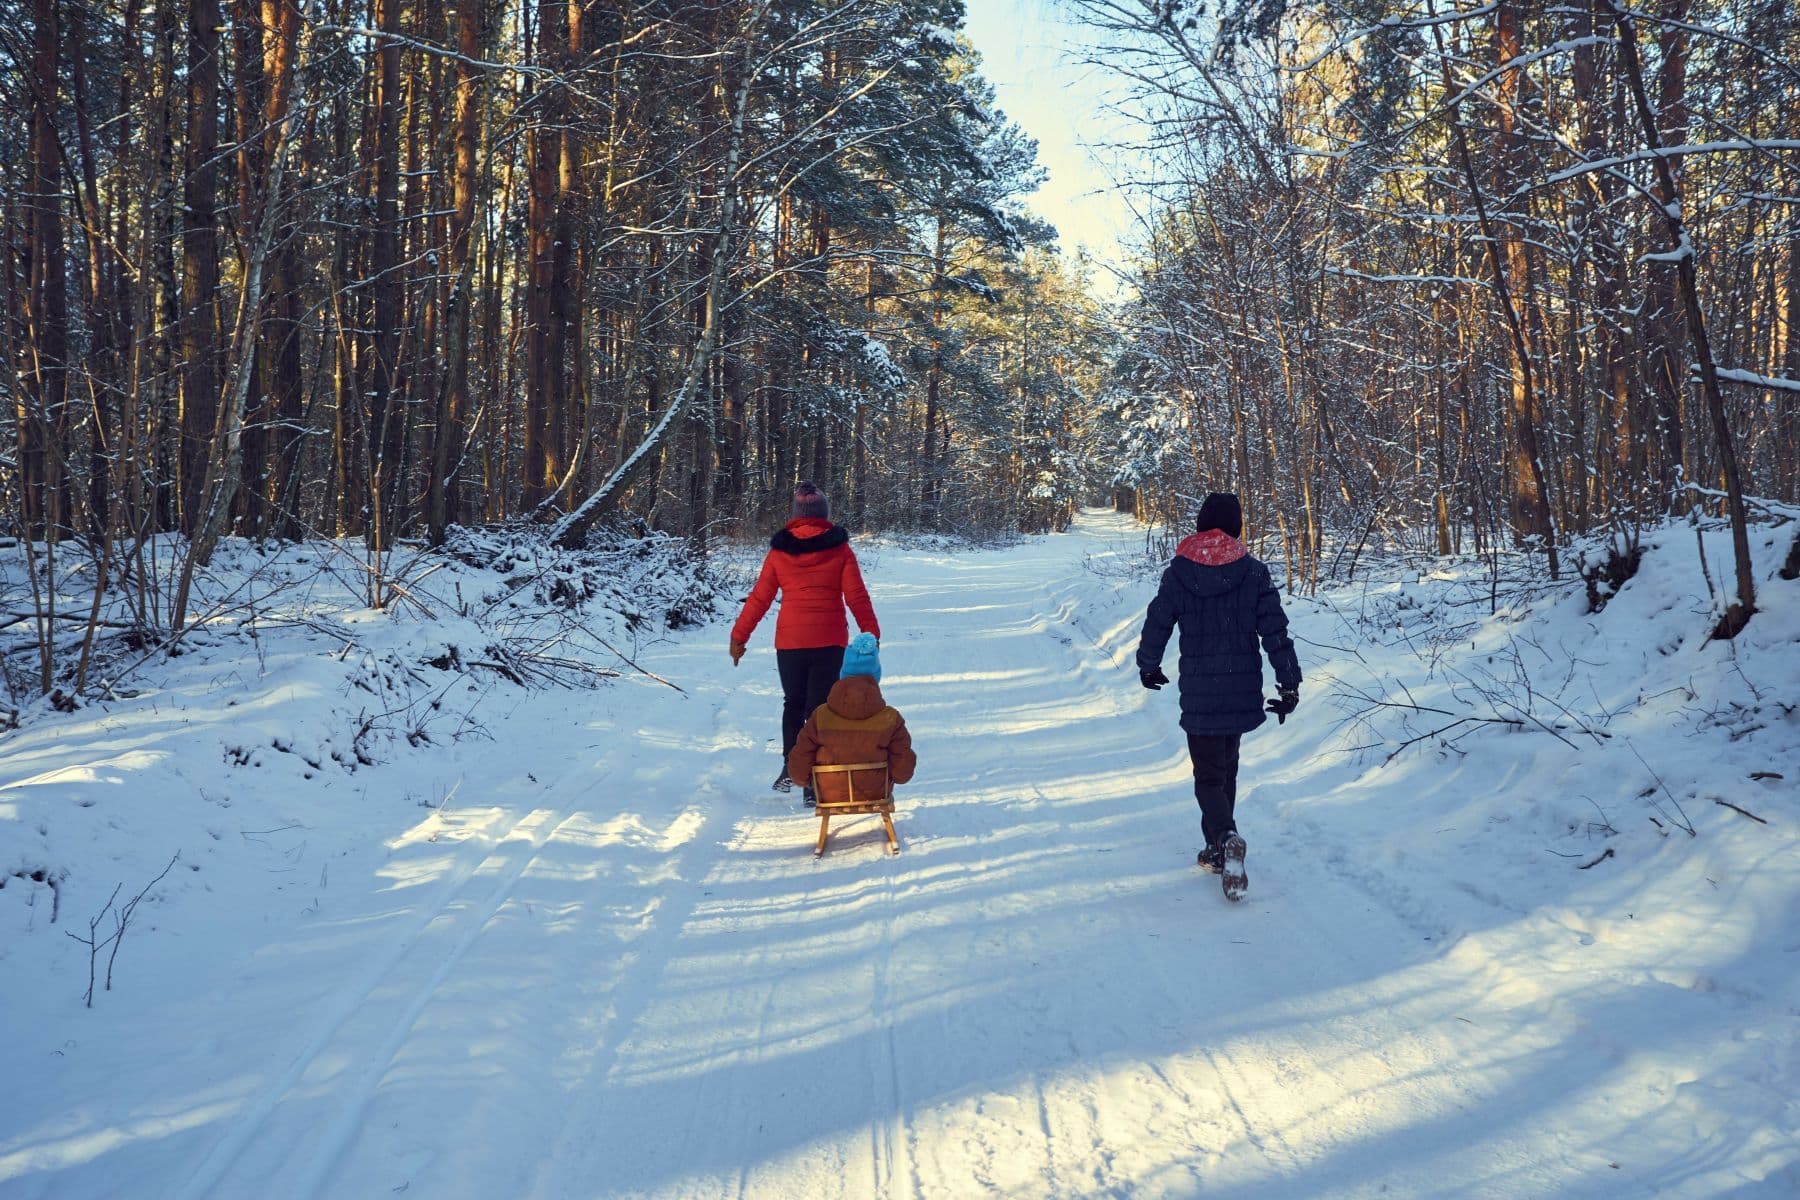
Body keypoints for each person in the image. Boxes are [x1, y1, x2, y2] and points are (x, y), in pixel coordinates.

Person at [1135, 492, 1301, 901]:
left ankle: (1224, 837)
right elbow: (1275, 631)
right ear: (1236, 526)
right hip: (1241, 686)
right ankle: (1218, 846)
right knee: (1227, 769)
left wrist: (1148, 664)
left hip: (1200, 688)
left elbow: (1159, 621)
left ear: (1200, 523)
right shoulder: (1253, 572)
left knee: (1208, 775)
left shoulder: (1179, 573)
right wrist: (1289, 682)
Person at [731, 482, 881, 798]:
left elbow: (760, 598)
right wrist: (871, 633)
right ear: (824, 514)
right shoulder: (839, 549)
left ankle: (791, 766)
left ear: (797, 515)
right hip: (830, 640)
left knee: (793, 704)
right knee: (820, 707)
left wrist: (739, 637)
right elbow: (856, 595)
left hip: (790, 642)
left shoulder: (779, 552)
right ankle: (814, 782)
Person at [787, 633, 916, 802]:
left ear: (843, 674)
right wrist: (893, 776)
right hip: (876, 792)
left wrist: (808, 781)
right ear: (876, 676)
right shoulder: (890, 719)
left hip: (829, 793)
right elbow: (903, 769)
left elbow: (800, 757)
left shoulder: (820, 716)